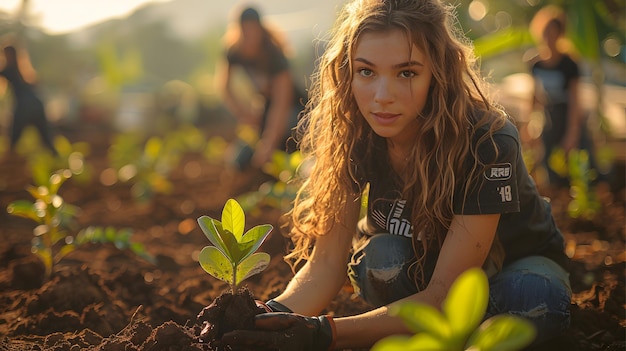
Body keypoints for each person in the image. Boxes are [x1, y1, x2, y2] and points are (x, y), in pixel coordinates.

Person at [215, 0, 571, 349]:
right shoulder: (355, 133)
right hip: (423, 271)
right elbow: (325, 264)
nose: (382, 96)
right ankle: (423, 327)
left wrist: (325, 334)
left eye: (407, 73)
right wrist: (268, 318)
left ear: (438, 72)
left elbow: (449, 290)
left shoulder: (487, 140)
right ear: (348, 72)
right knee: (381, 261)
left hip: (510, 265)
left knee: (534, 298)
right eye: (366, 71)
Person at [217, 5, 306, 171]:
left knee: (288, 138)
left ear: (260, 29)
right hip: (267, 110)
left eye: (253, 30)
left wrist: (269, 142)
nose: (249, 35)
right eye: (245, 30)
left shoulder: (274, 54)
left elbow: (282, 103)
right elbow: (225, 87)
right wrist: (244, 114)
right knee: (240, 161)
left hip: (295, 111)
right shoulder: (235, 52)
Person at [529, 6, 597, 189]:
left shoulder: (569, 64)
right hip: (549, 118)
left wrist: (572, 133)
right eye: (546, 32)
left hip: (568, 116)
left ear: (561, 35)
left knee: (580, 165)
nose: (549, 37)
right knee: (547, 164)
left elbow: (576, 100)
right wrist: (531, 125)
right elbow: (535, 96)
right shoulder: (536, 64)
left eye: (553, 32)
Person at [0, 43, 58, 157]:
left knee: (13, 141)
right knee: (46, 140)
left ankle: (6, 165)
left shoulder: (10, 69)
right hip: (37, 105)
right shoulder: (26, 71)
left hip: (24, 107)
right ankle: (60, 161)